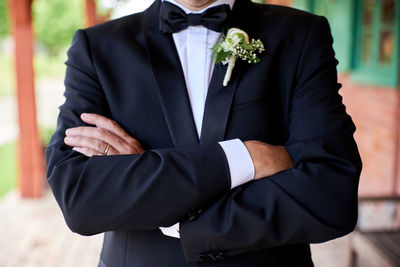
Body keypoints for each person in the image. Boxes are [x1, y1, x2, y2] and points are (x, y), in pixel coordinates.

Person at [46, 0, 362, 266]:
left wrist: (150, 185)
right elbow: (81, 198)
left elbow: (331, 194)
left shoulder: (300, 35)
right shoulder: (97, 47)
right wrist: (243, 158)